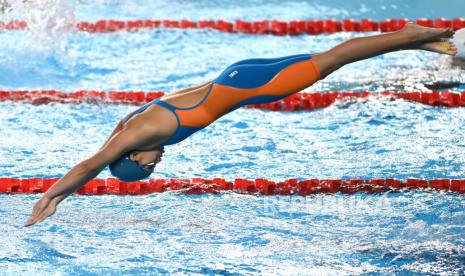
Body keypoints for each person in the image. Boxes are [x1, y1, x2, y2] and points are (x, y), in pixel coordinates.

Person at [25, 23, 457, 226]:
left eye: (147, 167)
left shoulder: (142, 134)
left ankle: (411, 34)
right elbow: (104, 156)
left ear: (133, 155)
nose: (156, 165)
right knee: (328, 59)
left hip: (252, 84)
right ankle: (423, 41)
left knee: (334, 59)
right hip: (238, 75)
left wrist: (52, 196)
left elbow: (90, 165)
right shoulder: (129, 126)